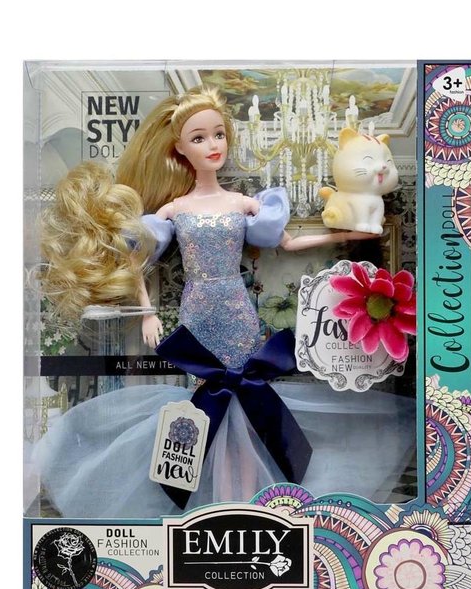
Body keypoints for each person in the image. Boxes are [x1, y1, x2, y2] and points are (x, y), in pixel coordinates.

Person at [34, 86, 415, 517]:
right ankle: (210, 504)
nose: (213, 145)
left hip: (237, 307)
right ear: (179, 149)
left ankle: (252, 504)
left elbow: (289, 243)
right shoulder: (174, 209)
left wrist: (347, 234)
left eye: (218, 134)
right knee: (204, 405)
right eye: (199, 138)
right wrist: (147, 313)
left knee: (246, 401)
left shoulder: (244, 204)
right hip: (198, 310)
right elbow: (135, 260)